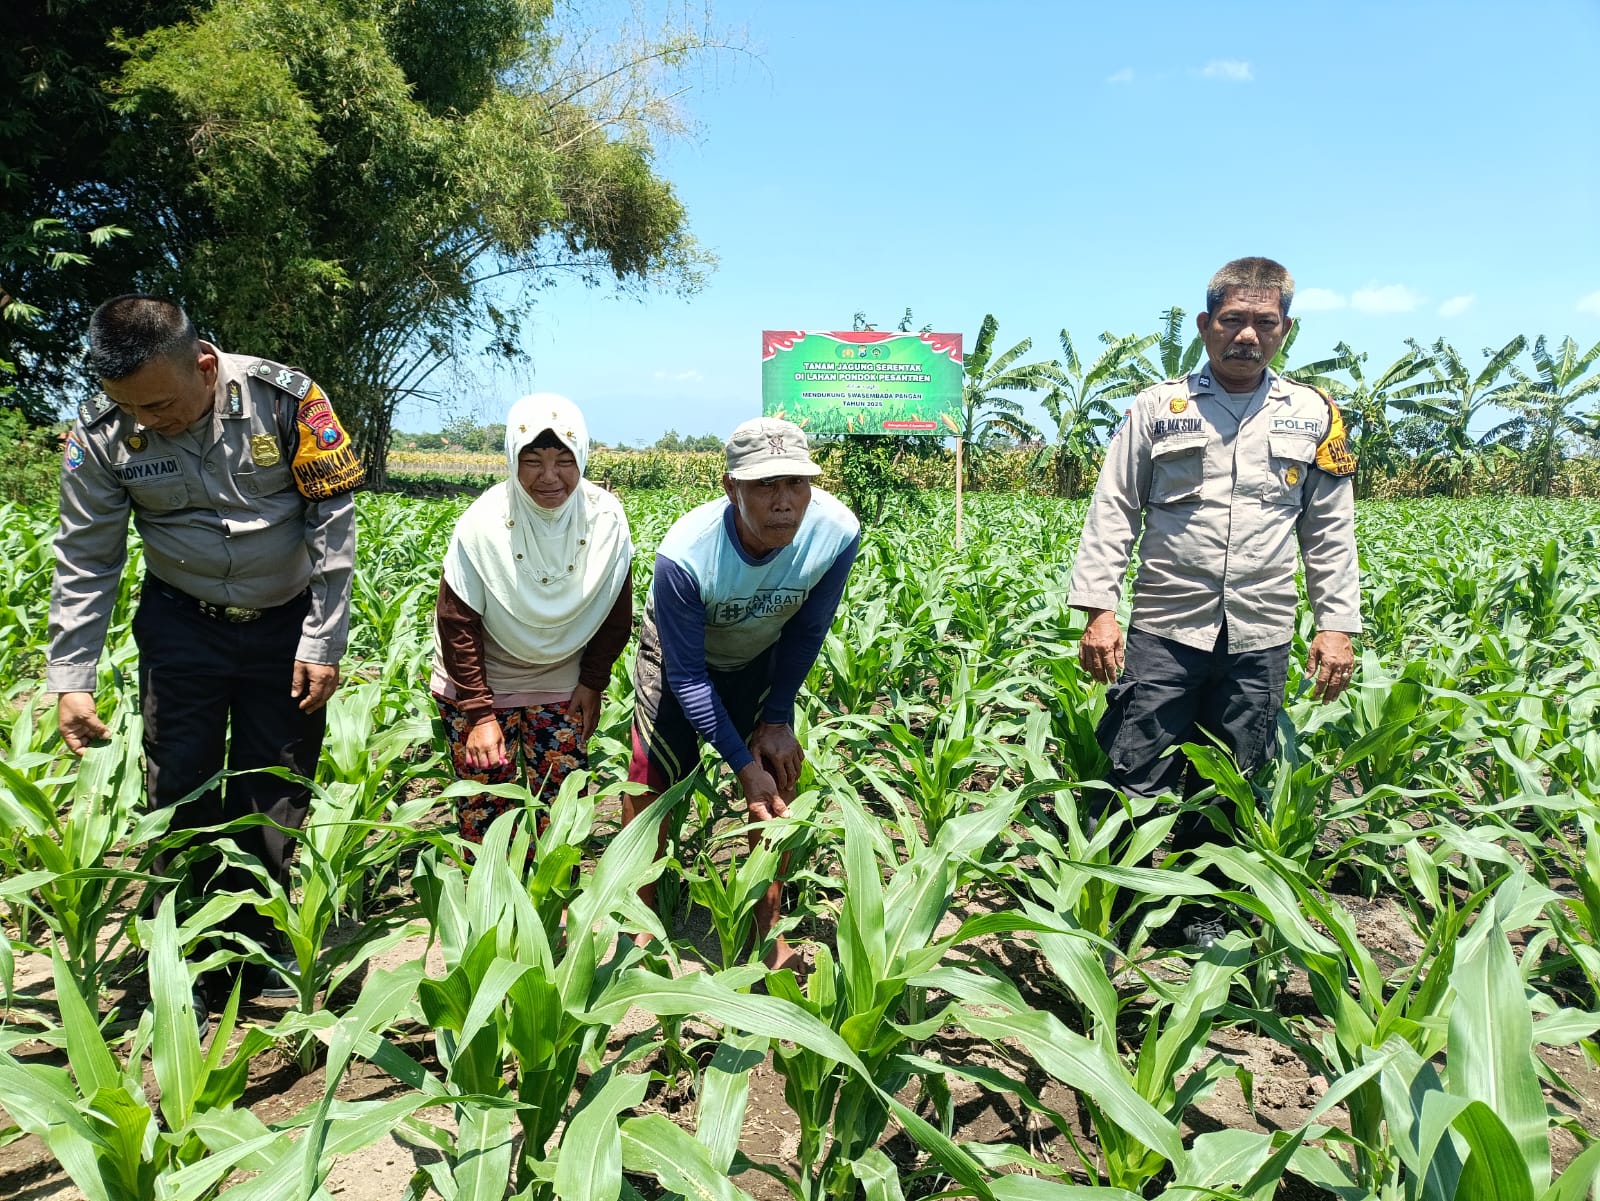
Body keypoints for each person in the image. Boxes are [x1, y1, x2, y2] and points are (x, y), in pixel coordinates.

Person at [49, 294, 363, 1003]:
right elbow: (86, 556)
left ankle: (260, 944)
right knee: (178, 782)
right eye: (130, 408)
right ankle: (178, 944)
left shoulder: (287, 401)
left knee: (274, 788)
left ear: (205, 362)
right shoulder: (102, 434)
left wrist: (324, 635)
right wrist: (72, 675)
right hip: (182, 622)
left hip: (285, 623)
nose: (145, 422)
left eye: (159, 405)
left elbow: (332, 520)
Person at [1066, 256, 1361, 947]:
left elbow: (1330, 527)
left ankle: (1201, 911)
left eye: (1265, 322)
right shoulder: (1156, 407)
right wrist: (1098, 608)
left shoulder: (1315, 415)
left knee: (1231, 772)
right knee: (1138, 766)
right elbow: (1114, 509)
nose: (1248, 336)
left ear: (1286, 328)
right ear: (1206, 326)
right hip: (1166, 626)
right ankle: (1124, 904)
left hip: (1260, 630)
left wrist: (1337, 623)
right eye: (1233, 320)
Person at [625, 417, 860, 970]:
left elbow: (808, 630)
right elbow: (686, 678)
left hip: (761, 657)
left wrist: (776, 721)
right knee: (649, 777)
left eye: (796, 483)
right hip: (682, 660)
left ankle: (768, 927)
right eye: (765, 485)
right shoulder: (688, 553)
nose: (785, 501)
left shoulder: (836, 531)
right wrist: (738, 764)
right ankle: (640, 916)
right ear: (731, 489)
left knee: (776, 775)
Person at [430, 394, 633, 842]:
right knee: (486, 809)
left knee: (562, 806)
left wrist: (593, 682)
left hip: (564, 682)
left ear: (581, 458)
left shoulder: (606, 521)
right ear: (511, 460)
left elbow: (617, 614)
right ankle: (493, 908)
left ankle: (555, 903)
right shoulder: (483, 523)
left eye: (564, 459)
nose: (549, 477)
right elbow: (456, 621)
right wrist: (480, 714)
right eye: (533, 460)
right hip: (479, 683)